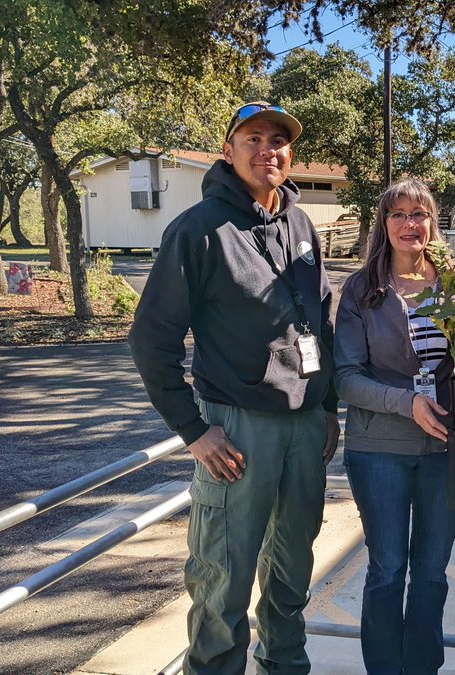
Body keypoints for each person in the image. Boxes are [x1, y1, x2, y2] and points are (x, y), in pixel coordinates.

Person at [128, 101, 340, 675]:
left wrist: (327, 406)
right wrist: (193, 431)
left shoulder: (300, 224)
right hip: (238, 429)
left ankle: (285, 667)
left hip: (304, 426)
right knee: (224, 578)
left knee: (293, 571)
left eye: (279, 140)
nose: (268, 149)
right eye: (253, 138)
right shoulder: (198, 231)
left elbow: (319, 315)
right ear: (228, 151)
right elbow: (151, 341)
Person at [333, 178, 455, 675]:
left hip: (447, 453)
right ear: (383, 225)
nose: (411, 224)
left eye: (421, 214)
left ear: (433, 222)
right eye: (399, 215)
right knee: (387, 571)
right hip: (379, 451)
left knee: (431, 574)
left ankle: (423, 668)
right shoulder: (362, 289)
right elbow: (345, 377)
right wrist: (405, 402)